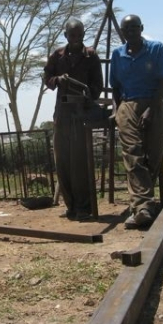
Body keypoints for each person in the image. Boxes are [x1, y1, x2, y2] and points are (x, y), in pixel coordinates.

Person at [109, 14, 163, 229]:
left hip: (154, 102)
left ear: (142, 28)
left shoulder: (156, 49)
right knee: (133, 152)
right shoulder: (118, 54)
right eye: (127, 30)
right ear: (123, 33)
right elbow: (115, 86)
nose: (131, 33)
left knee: (153, 154)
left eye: (135, 28)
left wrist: (151, 110)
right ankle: (142, 207)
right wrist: (118, 111)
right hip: (128, 105)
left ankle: (145, 205)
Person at [43, 18, 103, 221]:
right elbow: (47, 78)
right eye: (72, 35)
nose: (76, 39)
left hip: (82, 113)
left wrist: (86, 95)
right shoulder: (58, 56)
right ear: (66, 35)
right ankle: (70, 207)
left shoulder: (91, 56)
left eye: (79, 35)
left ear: (83, 35)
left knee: (80, 162)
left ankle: (83, 207)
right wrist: (57, 80)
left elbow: (97, 86)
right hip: (62, 113)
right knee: (63, 161)